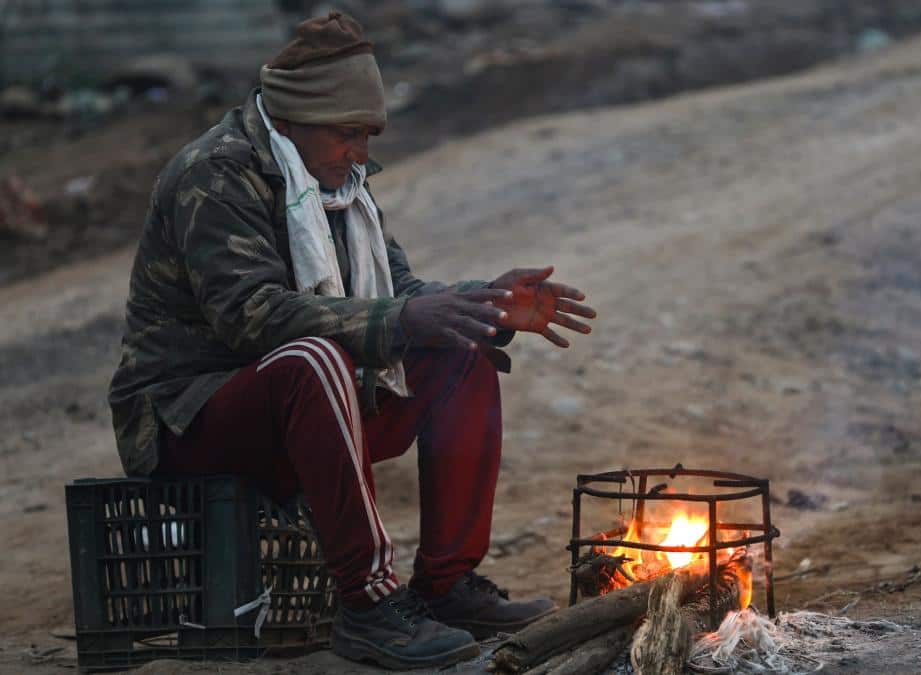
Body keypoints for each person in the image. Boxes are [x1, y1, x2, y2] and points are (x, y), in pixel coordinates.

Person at [107, 11, 596, 670]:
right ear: (290, 122)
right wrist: (396, 320)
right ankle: (367, 607)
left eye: (367, 134)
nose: (361, 153)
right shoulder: (216, 172)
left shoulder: (339, 182)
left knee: (461, 350)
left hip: (309, 409)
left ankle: (447, 583)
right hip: (189, 419)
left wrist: (486, 303)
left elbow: (399, 291)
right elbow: (251, 318)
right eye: (348, 134)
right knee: (314, 357)